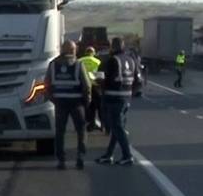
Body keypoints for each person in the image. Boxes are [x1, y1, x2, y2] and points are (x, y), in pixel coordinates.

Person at [45, 40, 90, 170]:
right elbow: (86, 85)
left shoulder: (53, 65)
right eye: (74, 49)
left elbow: (46, 84)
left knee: (60, 132)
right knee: (81, 130)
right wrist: (87, 101)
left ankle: (61, 160)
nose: (75, 51)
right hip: (77, 103)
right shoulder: (78, 64)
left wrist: (52, 99)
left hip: (60, 103)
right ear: (72, 50)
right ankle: (80, 157)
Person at [96, 37, 137, 166]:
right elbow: (137, 79)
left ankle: (127, 155)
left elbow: (110, 79)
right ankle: (109, 154)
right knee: (117, 127)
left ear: (112, 47)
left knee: (117, 127)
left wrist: (99, 83)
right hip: (126, 97)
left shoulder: (113, 60)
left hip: (114, 98)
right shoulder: (130, 60)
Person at [79, 46, 103, 131]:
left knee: (88, 106)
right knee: (99, 106)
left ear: (86, 52)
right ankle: (103, 124)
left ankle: (89, 122)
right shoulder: (98, 61)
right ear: (93, 53)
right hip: (95, 86)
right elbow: (100, 75)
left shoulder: (80, 61)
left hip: (84, 86)